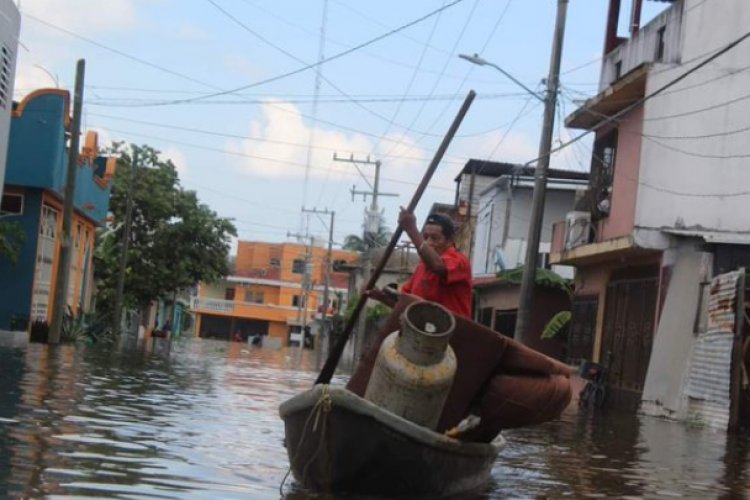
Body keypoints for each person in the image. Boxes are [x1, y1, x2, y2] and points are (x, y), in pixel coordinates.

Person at [369, 209, 472, 318]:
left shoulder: (460, 262)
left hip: (452, 332)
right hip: (423, 330)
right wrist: (379, 296)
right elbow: (404, 306)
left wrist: (411, 229)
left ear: (450, 240)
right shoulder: (421, 268)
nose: (428, 243)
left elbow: (436, 266)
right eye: (425, 237)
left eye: (435, 238)